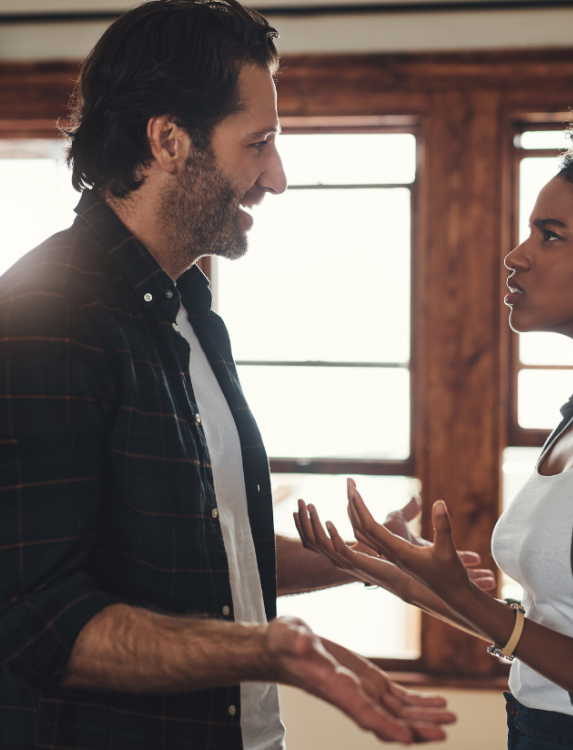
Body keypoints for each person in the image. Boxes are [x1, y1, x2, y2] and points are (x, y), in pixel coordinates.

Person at [0, 1, 505, 747]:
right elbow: (35, 620)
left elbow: (209, 545)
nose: (277, 176)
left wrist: (361, 563)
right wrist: (269, 648)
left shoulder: (190, 308)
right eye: (259, 142)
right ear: (168, 141)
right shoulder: (45, 317)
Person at [296, 75, 573, 749]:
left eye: (550, 235)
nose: (516, 256)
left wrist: (476, 603)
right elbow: (563, 629)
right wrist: (408, 580)